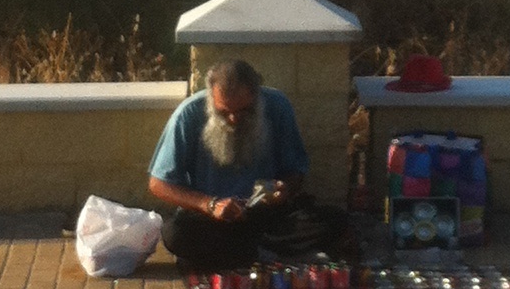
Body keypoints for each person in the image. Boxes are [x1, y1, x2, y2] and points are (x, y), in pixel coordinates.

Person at [148, 57, 355, 272]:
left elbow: (295, 170)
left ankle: (240, 254)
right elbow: (158, 183)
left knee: (334, 220)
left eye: (244, 110)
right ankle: (262, 253)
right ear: (211, 97)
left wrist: (284, 189)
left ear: (257, 95)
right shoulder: (189, 113)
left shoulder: (277, 105)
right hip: (212, 218)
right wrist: (210, 205)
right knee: (175, 234)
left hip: (265, 216)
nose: (233, 119)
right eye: (223, 112)